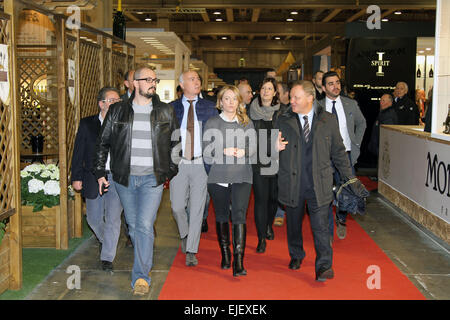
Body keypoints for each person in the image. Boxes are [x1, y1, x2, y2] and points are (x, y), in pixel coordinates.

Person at [94, 66, 179, 296]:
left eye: (155, 79)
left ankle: (141, 276)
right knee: (133, 226)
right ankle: (142, 266)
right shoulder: (117, 111)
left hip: (152, 179)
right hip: (124, 179)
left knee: (143, 225)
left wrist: (169, 171)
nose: (153, 83)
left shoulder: (165, 111)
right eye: (148, 79)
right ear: (135, 83)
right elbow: (103, 143)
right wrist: (100, 172)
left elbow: (176, 143)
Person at [275, 80, 355, 282]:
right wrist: (271, 147)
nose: (291, 100)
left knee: (320, 226)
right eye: (291, 97)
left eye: (296, 97)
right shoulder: (282, 118)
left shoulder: (327, 120)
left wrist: (350, 179)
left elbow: (338, 152)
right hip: (292, 181)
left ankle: (324, 266)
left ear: (310, 98)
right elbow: (267, 147)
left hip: (319, 182)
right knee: (293, 223)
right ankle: (296, 255)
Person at [203, 85, 256, 276]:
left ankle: (239, 261)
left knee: (240, 216)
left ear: (239, 102)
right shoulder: (212, 123)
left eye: (234, 98)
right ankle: (226, 254)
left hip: (242, 175)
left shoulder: (246, 123)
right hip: (218, 176)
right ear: (220, 102)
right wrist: (223, 151)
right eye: (227, 98)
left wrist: (245, 152)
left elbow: (253, 148)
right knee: (222, 216)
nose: (231, 102)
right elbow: (207, 152)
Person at [71, 87, 123, 272]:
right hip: (93, 177)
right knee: (93, 219)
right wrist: (76, 177)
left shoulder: (124, 124)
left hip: (116, 178)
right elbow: (78, 152)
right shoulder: (87, 124)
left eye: (118, 100)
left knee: (113, 219)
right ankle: (106, 240)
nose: (116, 103)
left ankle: (107, 257)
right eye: (112, 100)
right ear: (101, 104)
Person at [170, 70, 217, 267]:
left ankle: (191, 249)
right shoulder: (170, 108)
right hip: (178, 163)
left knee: (197, 209)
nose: (197, 81)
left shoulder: (210, 107)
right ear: (182, 85)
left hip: (200, 163)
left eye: (198, 78)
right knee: (177, 206)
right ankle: (185, 233)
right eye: (192, 79)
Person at [317, 71, 366, 241]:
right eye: (330, 83)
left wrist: (356, 144)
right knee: (324, 193)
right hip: (324, 157)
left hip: (346, 155)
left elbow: (362, 123)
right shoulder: (317, 107)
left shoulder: (350, 104)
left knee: (347, 189)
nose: (335, 86)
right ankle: (327, 229)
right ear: (323, 88)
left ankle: (341, 219)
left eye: (337, 82)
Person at [248, 77, 280, 253]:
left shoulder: (282, 112)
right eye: (263, 88)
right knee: (260, 199)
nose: (266, 91)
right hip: (258, 161)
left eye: (270, 88)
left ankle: (269, 224)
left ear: (275, 92)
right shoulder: (251, 111)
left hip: (277, 161)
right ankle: (261, 238)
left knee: (273, 198)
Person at [274, 82, 291, 227]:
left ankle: (282, 211)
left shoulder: (290, 111)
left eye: (277, 91)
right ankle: (278, 211)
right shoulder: (272, 110)